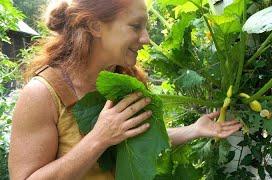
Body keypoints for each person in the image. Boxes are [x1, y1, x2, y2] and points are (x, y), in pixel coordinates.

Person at [8, 0, 242, 179]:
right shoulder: (42, 94)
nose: (146, 39)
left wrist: (195, 129)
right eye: (135, 26)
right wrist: (98, 139)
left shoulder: (123, 80)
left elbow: (129, 139)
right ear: (94, 26)